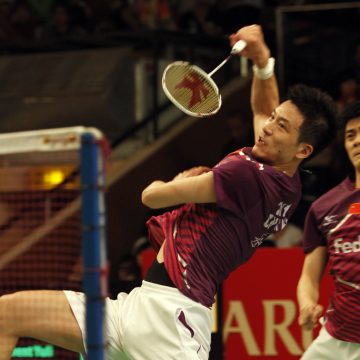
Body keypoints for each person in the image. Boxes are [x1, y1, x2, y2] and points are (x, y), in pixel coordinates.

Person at [0, 25, 337, 359]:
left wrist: (175, 181)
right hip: (136, 306)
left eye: (281, 126)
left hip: (172, 322)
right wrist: (262, 61)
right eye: (274, 119)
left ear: (303, 150)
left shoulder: (244, 174)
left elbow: (151, 196)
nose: (267, 126)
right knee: (7, 313)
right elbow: (264, 108)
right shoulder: (285, 183)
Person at [297, 100, 360, 360]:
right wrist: (307, 304)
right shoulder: (326, 207)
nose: (357, 141)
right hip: (338, 339)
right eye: (350, 135)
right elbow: (309, 277)